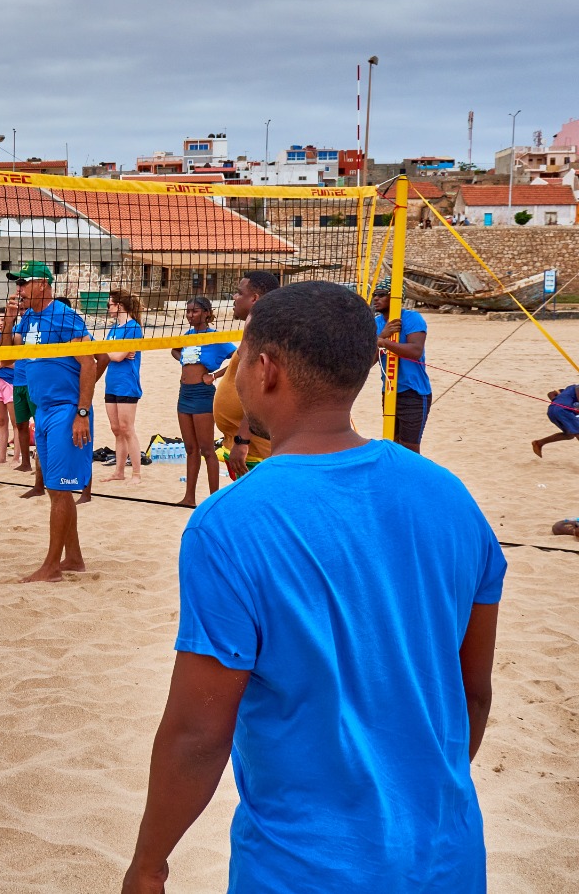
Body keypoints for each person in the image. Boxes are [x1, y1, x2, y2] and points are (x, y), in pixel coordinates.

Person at [122, 281, 504, 893]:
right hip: (447, 858)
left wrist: (149, 865)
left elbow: (198, 734)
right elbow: (473, 696)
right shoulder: (452, 499)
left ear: (265, 369)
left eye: (243, 355)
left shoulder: (230, 524)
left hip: (303, 868)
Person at [5, 266, 96, 582]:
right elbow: (6, 356)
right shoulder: (28, 318)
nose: (20, 289)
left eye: (24, 283)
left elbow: (90, 362)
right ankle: (73, 558)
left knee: (58, 490)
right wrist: (8, 317)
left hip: (66, 411)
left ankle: (52, 566)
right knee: (58, 490)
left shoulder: (65, 316)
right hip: (41, 411)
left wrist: (81, 413)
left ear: (43, 284)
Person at [213, 272, 280, 479]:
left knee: (257, 506)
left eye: (239, 293)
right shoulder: (255, 330)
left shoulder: (265, 332)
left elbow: (261, 389)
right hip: (243, 442)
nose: (234, 297)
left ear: (255, 299)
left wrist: (242, 441)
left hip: (254, 449)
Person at [171, 296, 234, 508]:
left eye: (194, 311)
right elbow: (173, 349)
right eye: (188, 312)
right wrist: (181, 359)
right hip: (184, 394)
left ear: (206, 313)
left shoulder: (216, 337)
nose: (190, 315)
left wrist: (214, 375)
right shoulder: (188, 335)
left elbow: (238, 357)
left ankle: (213, 501)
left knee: (207, 449)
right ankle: (189, 497)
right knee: (190, 449)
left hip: (202, 394)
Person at [372, 281, 432, 454]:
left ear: (396, 297)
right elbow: (368, 361)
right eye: (375, 294)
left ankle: (414, 480)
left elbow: (415, 351)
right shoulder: (377, 324)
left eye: (382, 294)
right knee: (393, 444)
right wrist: (382, 336)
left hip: (414, 392)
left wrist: (384, 342)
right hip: (389, 391)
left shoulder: (412, 318)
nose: (376, 298)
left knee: (410, 448)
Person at [100, 289, 144, 483]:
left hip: (127, 383)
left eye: (109, 304)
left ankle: (136, 473)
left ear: (119, 305)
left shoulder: (133, 328)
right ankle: (119, 472)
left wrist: (111, 351)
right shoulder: (113, 329)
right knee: (116, 429)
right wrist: (113, 351)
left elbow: (116, 356)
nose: (107, 307)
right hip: (112, 383)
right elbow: (112, 354)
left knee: (127, 428)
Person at [0, 308, 19, 466]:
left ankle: (16, 457)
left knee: (16, 422)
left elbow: (21, 363)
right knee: (1, 421)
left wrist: (3, 363)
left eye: (3, 320)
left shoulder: (15, 335)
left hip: (10, 382)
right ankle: (2, 456)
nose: (0, 323)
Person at [531, 383, 579, 458]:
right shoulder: (575, 387)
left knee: (569, 435)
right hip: (563, 410)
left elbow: (551, 393)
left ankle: (539, 443)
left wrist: (557, 401)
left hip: (552, 410)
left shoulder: (566, 391)